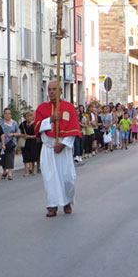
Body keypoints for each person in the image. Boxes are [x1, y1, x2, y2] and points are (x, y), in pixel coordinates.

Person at [34, 80, 82, 217]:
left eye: (54, 89)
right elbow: (36, 127)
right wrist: (50, 120)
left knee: (68, 178)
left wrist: (63, 144)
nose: (51, 92)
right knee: (50, 178)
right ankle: (52, 205)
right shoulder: (42, 108)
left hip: (64, 148)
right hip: (49, 149)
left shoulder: (69, 108)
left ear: (61, 91)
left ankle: (67, 201)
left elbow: (74, 129)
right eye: (49, 89)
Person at [0, 107, 20, 180]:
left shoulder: (14, 123)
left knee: (10, 157)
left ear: (11, 115)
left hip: (11, 142)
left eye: (9, 114)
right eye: (6, 113)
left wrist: (12, 134)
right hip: (3, 142)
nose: (7, 115)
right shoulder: (1, 122)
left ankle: (10, 173)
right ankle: (4, 171)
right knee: (3, 157)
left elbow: (19, 133)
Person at [20, 110, 39, 176]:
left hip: (33, 142)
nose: (28, 118)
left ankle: (33, 169)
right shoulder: (22, 124)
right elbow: (20, 132)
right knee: (25, 156)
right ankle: (26, 171)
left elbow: (37, 134)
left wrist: (30, 136)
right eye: (27, 116)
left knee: (33, 156)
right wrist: (23, 135)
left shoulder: (35, 124)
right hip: (25, 142)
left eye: (30, 116)